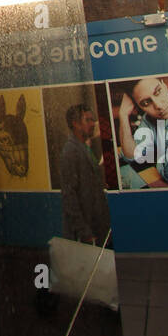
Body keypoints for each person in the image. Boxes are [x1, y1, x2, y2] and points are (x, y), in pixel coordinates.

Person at [117, 76, 168, 188]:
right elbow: (131, 156)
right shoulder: (148, 120)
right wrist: (122, 115)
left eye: (158, 92)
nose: (159, 106)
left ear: (164, 85)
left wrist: (160, 164)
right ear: (139, 107)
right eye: (146, 103)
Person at [59, 103, 112, 245]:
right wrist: (84, 232)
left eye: (92, 119)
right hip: (88, 235)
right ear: (75, 124)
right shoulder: (71, 151)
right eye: (87, 120)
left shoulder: (84, 147)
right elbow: (69, 196)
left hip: (98, 229)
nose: (93, 124)